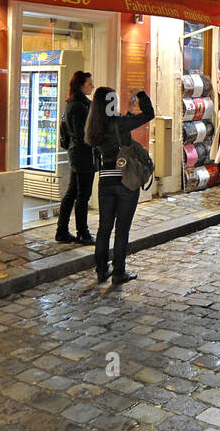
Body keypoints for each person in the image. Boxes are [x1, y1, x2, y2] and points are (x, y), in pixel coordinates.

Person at [85, 86, 155, 285]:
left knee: (104, 228)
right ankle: (118, 272)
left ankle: (101, 270)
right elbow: (149, 114)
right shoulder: (120, 123)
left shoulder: (94, 126)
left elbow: (113, 133)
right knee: (122, 228)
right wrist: (141, 95)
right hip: (125, 181)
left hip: (106, 180)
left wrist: (129, 111)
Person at [55, 71, 95, 244]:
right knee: (82, 195)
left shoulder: (75, 103)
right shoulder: (79, 106)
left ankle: (62, 231)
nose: (92, 86)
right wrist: (96, 142)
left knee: (72, 193)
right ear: (81, 85)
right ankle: (82, 232)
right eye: (89, 83)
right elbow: (81, 135)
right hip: (82, 155)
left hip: (77, 153)